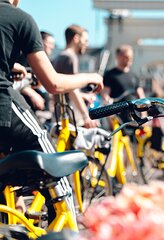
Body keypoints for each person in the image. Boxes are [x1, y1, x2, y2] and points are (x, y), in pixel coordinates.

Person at [0, 0, 103, 218]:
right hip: (3, 107)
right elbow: (53, 84)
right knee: (56, 173)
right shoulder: (20, 18)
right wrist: (91, 77)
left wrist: (12, 65)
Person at [52, 24, 99, 128]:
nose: (87, 44)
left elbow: (64, 88)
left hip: (59, 114)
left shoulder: (59, 57)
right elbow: (72, 90)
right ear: (76, 38)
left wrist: (84, 96)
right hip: (69, 116)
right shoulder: (70, 58)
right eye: (85, 40)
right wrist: (86, 116)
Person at [101, 44, 146, 123]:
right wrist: (108, 108)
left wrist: (144, 113)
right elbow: (105, 94)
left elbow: (141, 96)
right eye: (126, 57)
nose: (129, 59)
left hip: (134, 116)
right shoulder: (110, 75)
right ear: (118, 57)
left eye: (130, 57)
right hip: (117, 116)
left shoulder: (135, 76)